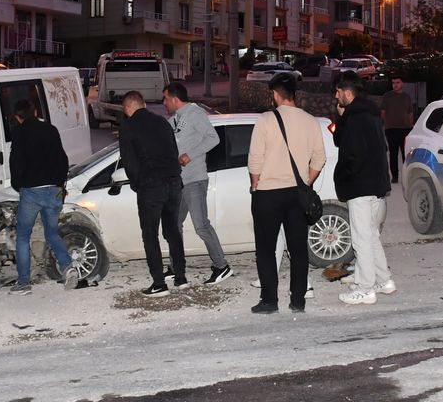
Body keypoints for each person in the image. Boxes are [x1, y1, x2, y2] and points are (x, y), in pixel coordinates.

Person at [246, 73, 326, 314]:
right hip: (297, 195)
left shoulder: (266, 120)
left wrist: (255, 185)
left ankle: (270, 301)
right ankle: (298, 300)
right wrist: (305, 181)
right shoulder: (310, 121)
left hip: (268, 193)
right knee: (299, 249)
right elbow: (319, 158)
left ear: (275, 95)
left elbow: (255, 160)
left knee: (266, 249)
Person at [332, 73, 394, 305]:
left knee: (361, 239)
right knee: (371, 235)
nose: (336, 96)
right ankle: (383, 280)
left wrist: (344, 176)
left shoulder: (354, 117)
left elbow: (349, 151)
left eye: (338, 92)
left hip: (360, 185)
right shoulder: (370, 114)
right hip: (376, 184)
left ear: (348, 93)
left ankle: (366, 288)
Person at [162, 82, 232, 285]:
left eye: (165, 98)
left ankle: (222, 266)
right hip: (179, 181)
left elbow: (213, 139)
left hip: (194, 179)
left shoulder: (195, 113)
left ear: (175, 99)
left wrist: (189, 155)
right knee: (174, 225)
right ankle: (176, 267)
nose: (164, 103)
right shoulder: (174, 120)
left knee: (201, 226)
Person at [7, 100, 79, 295]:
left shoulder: (19, 133)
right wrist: (60, 184)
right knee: (52, 232)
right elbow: (62, 159)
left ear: (17, 117)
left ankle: (23, 282)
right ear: (35, 111)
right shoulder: (51, 129)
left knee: (23, 235)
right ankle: (68, 267)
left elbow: (15, 162)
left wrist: (19, 185)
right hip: (54, 188)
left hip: (32, 191)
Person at [118, 90, 186, 297]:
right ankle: (181, 277)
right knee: (172, 230)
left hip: (151, 185)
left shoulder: (128, 127)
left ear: (128, 108)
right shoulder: (162, 122)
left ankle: (159, 283)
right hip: (174, 181)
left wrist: (139, 184)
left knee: (150, 234)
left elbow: (130, 162)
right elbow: (173, 151)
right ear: (143, 104)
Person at [379, 77, 414, 183]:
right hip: (391, 129)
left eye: (397, 82)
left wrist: (411, 126)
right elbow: (383, 112)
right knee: (393, 154)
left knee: (406, 155)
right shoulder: (387, 96)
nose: (395, 85)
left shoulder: (407, 97)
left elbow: (410, 112)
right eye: (393, 82)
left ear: (402, 83)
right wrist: (387, 124)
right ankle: (395, 176)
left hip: (405, 129)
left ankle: (407, 176)